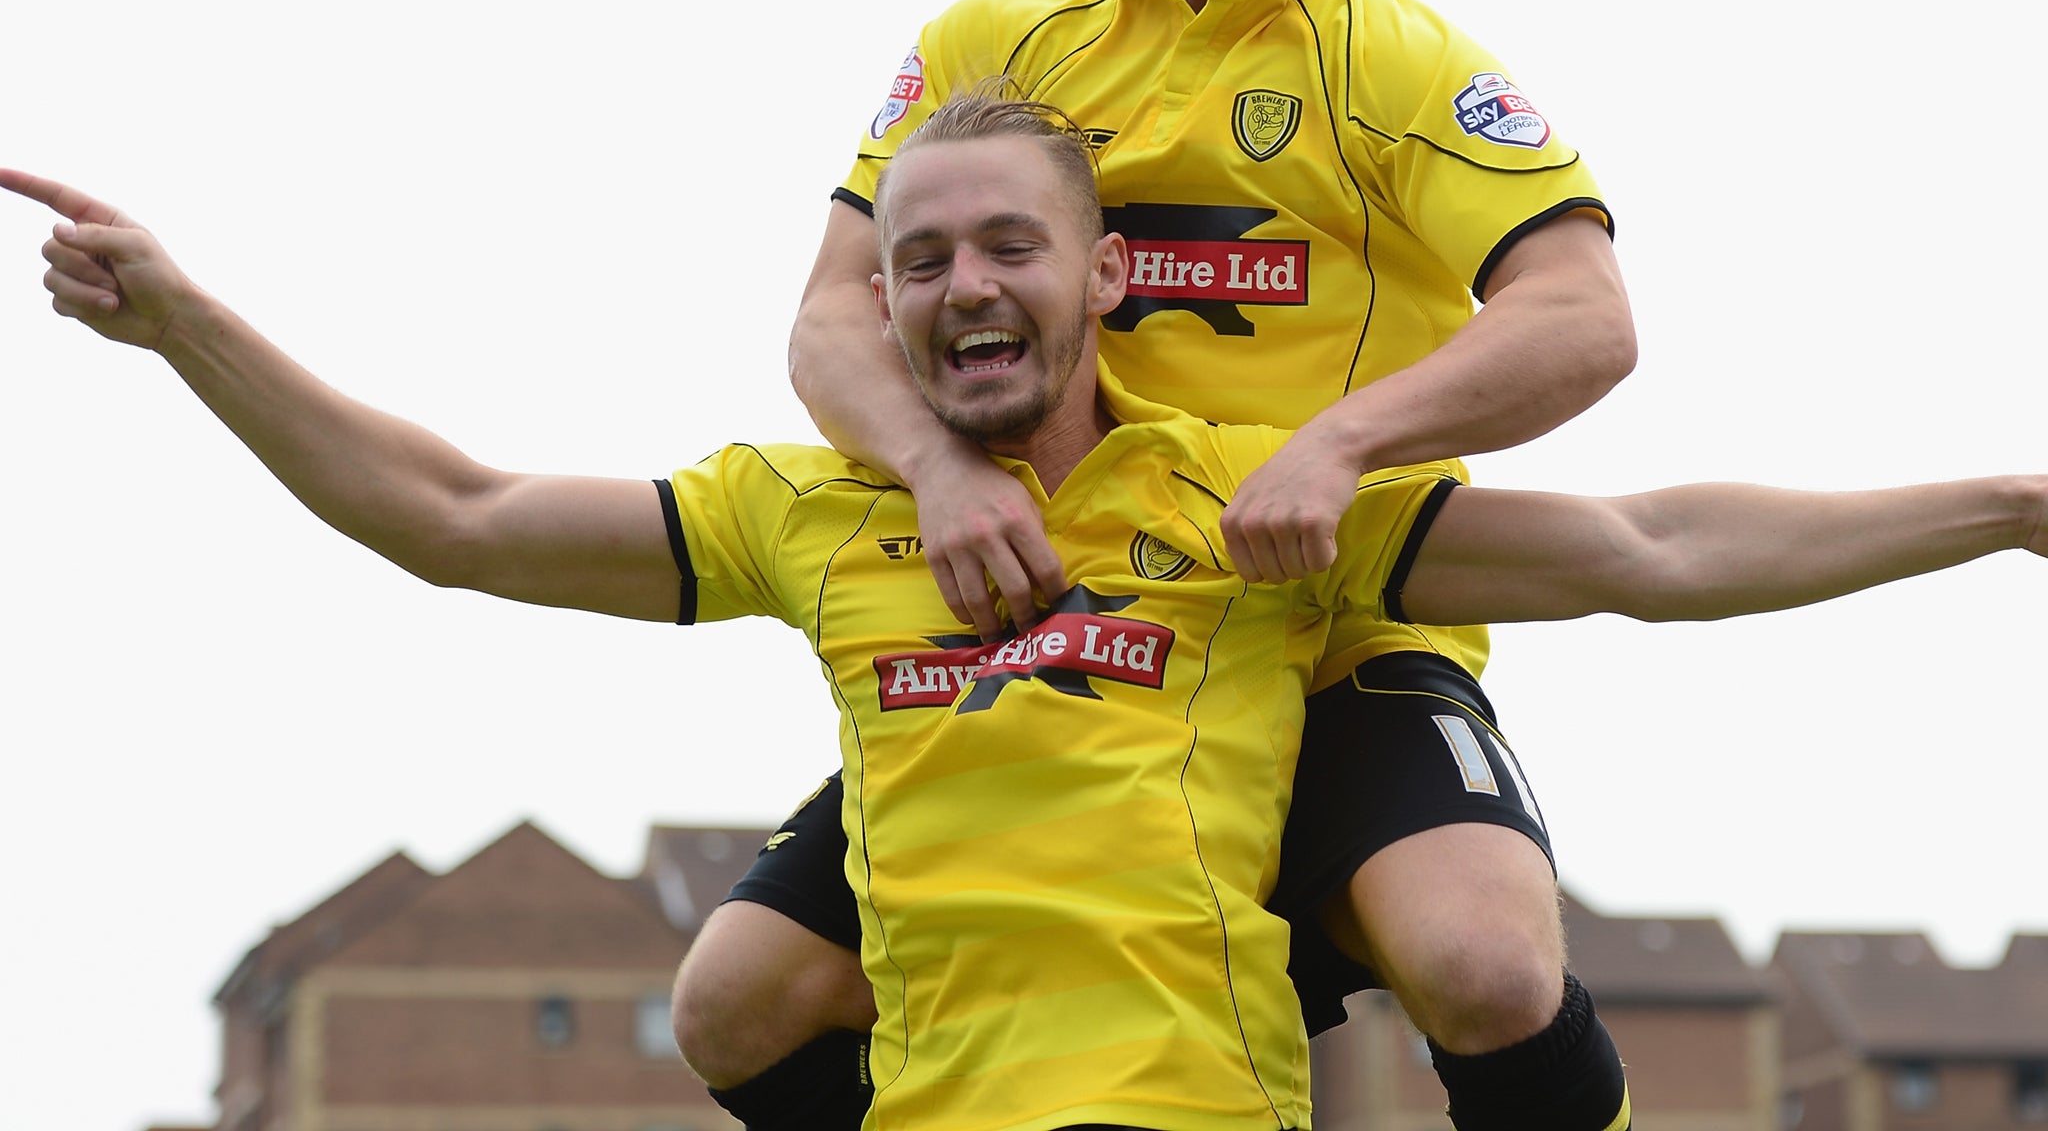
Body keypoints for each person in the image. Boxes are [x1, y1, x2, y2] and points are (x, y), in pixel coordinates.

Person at [7, 104, 2044, 1131]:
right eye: (918, 259)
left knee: (1490, 976)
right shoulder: (814, 515)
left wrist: (2006, 507)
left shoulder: (1237, 515)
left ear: (1095, 281)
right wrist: (190, 323)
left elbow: (1655, 548)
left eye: (1009, 246)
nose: (964, 285)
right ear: (878, 304)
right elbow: (444, 514)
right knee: (732, 1000)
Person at [678, 0, 1638, 1131]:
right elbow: (830, 321)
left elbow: (1583, 314)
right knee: (733, 1004)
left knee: (1488, 971)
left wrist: (1339, 447)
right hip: (1080, 641)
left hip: (1331, 628)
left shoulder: (1398, 63)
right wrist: (940, 473)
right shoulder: (993, 44)